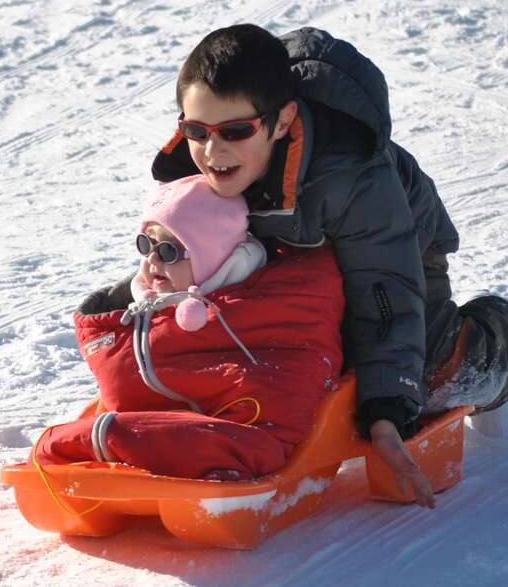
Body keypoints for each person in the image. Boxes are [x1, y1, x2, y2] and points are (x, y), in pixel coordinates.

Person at [77, 25, 508, 506]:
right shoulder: (194, 163)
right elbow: (176, 255)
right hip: (285, 267)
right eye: (195, 131)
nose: (212, 152)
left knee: (414, 375)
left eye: (236, 132)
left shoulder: (350, 176)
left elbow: (386, 292)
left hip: (395, 258)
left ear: (281, 121)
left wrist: (388, 405)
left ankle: (491, 343)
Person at [34, 174, 346, 481]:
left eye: (170, 250)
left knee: (67, 444)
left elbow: (266, 429)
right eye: (146, 244)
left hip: (230, 436)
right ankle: (113, 441)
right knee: (63, 444)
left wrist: (110, 436)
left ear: (215, 255)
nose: (153, 260)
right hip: (162, 429)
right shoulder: (141, 313)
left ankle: (110, 441)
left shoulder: (269, 311)